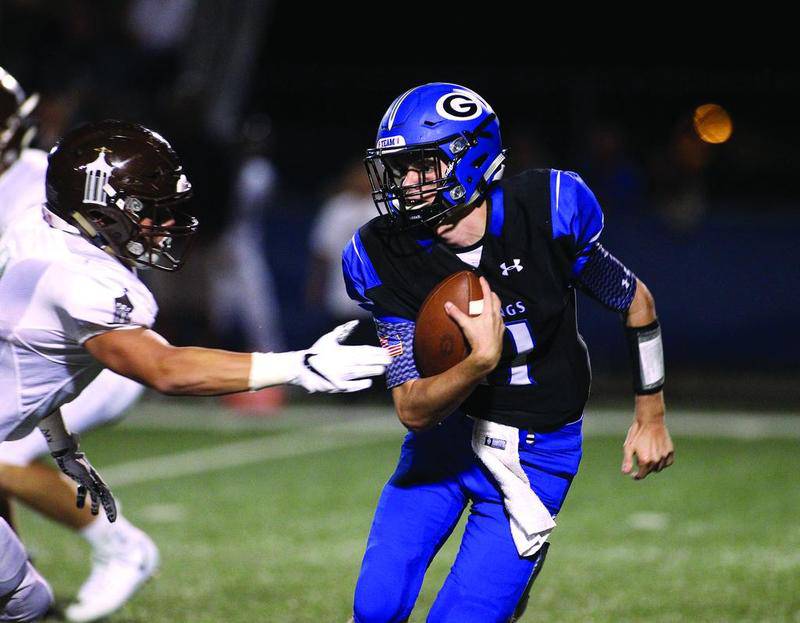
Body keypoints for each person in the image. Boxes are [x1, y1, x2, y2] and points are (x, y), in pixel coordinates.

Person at [0, 114, 390, 622]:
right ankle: (120, 550)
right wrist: (298, 365)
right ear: (99, 209)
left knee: (24, 597)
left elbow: (24, 352)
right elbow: (166, 369)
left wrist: (57, 440)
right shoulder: (82, 279)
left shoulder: (37, 227)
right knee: (24, 601)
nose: (164, 223)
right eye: (148, 211)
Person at [342, 83, 674, 623]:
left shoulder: (546, 211)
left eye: (419, 165)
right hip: (446, 443)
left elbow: (636, 302)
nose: (403, 183)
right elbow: (411, 407)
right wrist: (476, 363)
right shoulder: (384, 252)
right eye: (397, 167)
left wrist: (651, 414)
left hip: (538, 452)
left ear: (468, 158)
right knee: (375, 607)